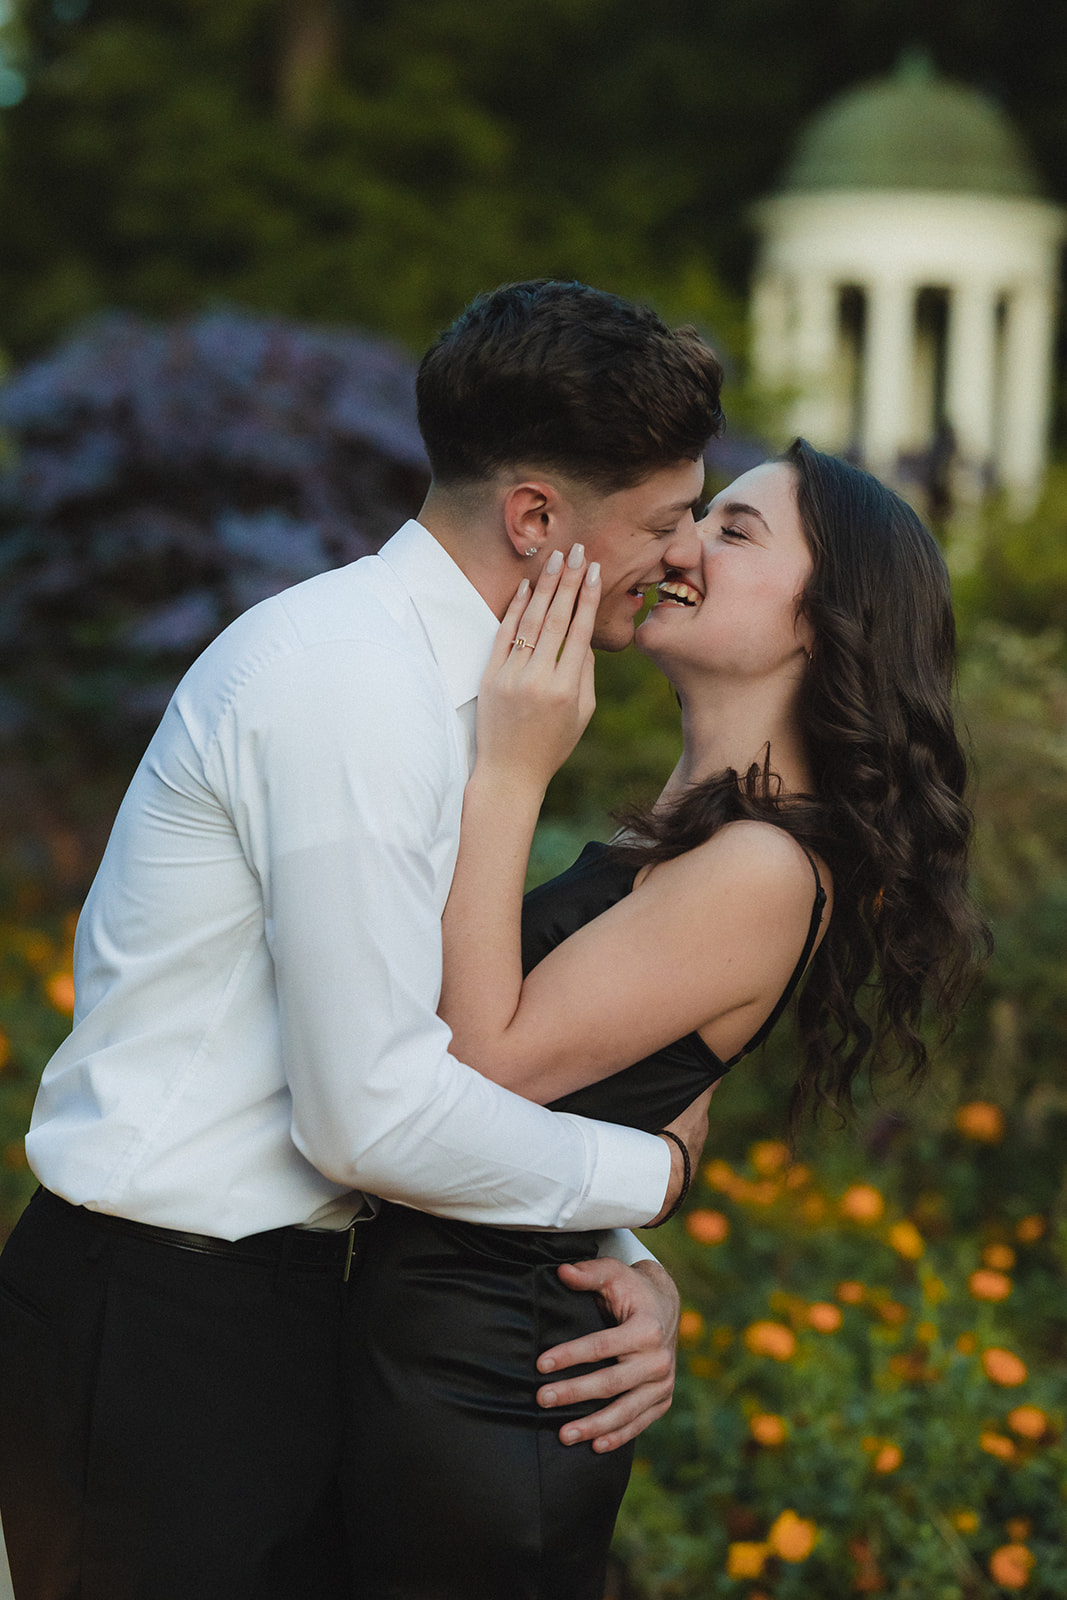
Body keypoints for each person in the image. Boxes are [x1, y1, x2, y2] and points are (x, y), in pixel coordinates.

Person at [0, 281, 726, 1599]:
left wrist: (624, 1269)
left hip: (299, 1317)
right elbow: (373, 1116)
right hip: (161, 1338)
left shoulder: (487, 706)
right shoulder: (343, 683)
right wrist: (648, 1182)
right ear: (533, 520)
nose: (681, 556)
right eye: (663, 522)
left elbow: (440, 1061)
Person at [342, 439, 989, 1598]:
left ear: (823, 620)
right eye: (697, 516)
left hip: (476, 1392)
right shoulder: (702, 839)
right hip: (434, 1357)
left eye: (734, 532)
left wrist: (511, 766)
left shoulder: (762, 864)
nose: (681, 546)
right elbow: (666, 1102)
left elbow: (479, 1062)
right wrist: (645, 1237)